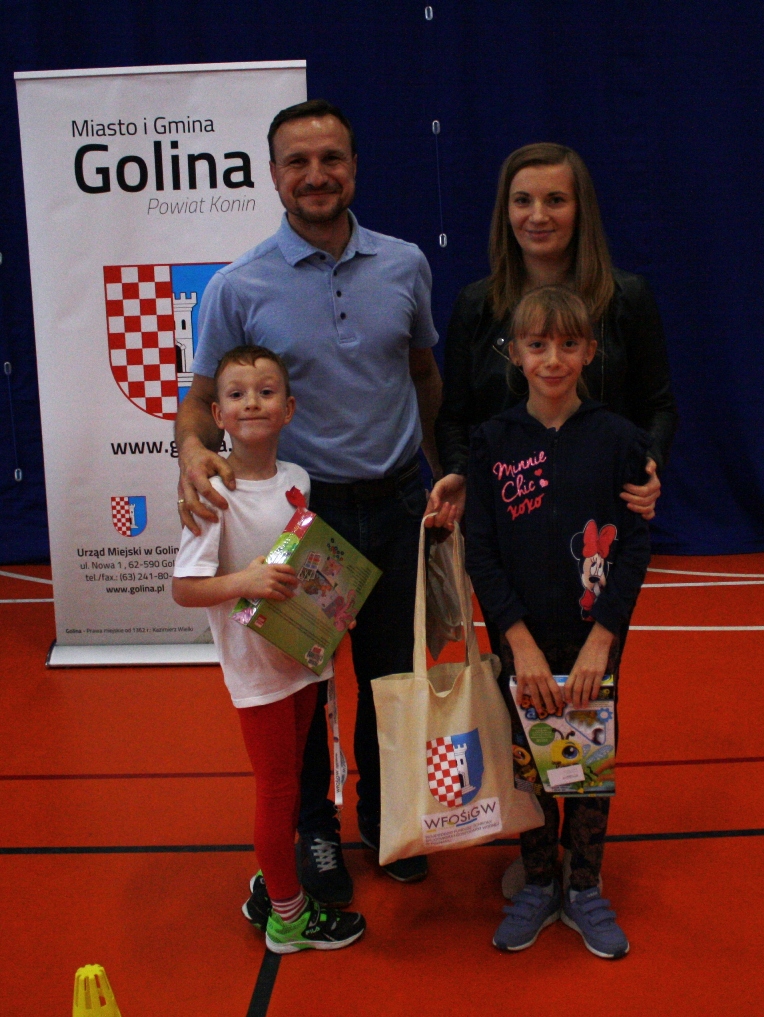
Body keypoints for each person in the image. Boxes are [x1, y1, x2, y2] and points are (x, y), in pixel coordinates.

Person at [174, 100, 441, 910]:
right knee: (305, 689)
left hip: (397, 505)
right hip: (305, 520)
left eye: (331, 158)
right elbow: (200, 400)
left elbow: (424, 374)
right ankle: (315, 829)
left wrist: (443, 471)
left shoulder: (405, 264)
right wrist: (190, 452)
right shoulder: (238, 284)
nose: (316, 174)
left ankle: (388, 816)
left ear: (354, 167)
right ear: (273, 174)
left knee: (393, 677)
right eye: (298, 161)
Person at [465, 286, 651, 959]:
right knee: (530, 762)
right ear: (515, 353)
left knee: (588, 761)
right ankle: (540, 880)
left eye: (568, 344)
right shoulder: (492, 442)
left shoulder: (619, 439)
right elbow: (481, 551)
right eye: (537, 345)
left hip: (593, 640)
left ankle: (585, 884)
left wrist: (604, 637)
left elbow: (635, 545)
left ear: (590, 351)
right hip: (524, 643)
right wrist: (517, 642)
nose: (553, 359)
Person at [172, 346, 365, 953]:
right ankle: (287, 916)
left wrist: (334, 608)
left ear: (289, 408)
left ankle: (274, 884)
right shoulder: (212, 492)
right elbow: (184, 588)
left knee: (294, 786)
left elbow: (305, 566)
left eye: (265, 392)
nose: (251, 403)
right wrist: (247, 581)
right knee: (277, 791)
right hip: (256, 673)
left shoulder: (298, 480)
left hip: (301, 660)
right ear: (217, 415)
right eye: (236, 394)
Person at [428, 142, 677, 532]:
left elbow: (658, 407)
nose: (538, 216)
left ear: (581, 210)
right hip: (504, 521)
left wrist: (647, 464)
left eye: (556, 200)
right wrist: (459, 470)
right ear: (506, 210)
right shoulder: (476, 305)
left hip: (603, 517)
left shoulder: (627, 298)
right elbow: (454, 418)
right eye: (522, 201)